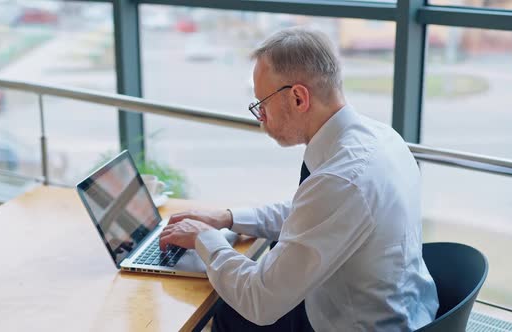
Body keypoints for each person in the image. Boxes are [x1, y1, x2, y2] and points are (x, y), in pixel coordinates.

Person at [159, 28, 439, 331]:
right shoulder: (379, 137)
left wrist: (203, 237)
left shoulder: (342, 179)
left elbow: (259, 301)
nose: (261, 117)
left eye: (261, 103)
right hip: (400, 308)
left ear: (297, 97)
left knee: (231, 312)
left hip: (360, 324)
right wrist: (227, 218)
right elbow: (308, 213)